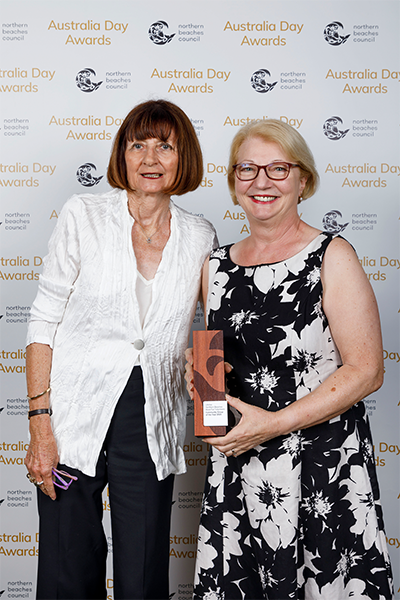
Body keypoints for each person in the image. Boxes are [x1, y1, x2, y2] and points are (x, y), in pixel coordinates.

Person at [185, 119, 394, 599]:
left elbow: (368, 370)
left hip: (321, 465)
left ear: (303, 180)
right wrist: (202, 385)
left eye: (278, 168)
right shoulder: (214, 265)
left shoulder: (331, 255)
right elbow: (209, 360)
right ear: (234, 182)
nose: (262, 181)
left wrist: (274, 425)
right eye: (248, 169)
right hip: (239, 460)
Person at [24, 99, 217, 600]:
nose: (150, 157)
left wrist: (215, 421)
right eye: (138, 144)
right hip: (70, 417)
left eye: (165, 146)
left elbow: (208, 336)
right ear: (122, 154)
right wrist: (41, 424)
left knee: (143, 574)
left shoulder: (201, 236)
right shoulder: (82, 214)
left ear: (184, 158)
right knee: (68, 567)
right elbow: (42, 322)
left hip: (151, 418)